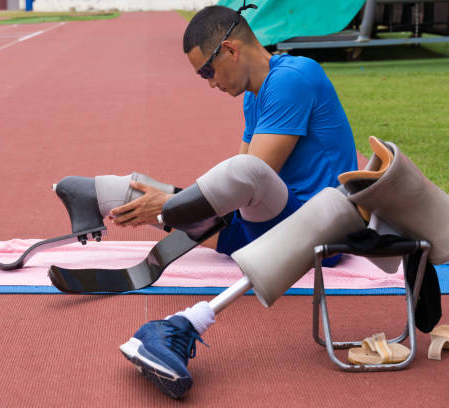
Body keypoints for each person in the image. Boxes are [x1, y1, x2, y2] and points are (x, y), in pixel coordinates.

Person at [115, 2, 358, 399]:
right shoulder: (253, 96)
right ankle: (123, 204)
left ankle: (167, 217)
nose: (210, 84)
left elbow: (249, 175)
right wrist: (169, 206)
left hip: (322, 230)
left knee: (229, 182)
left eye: (207, 72)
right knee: (163, 195)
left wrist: (171, 207)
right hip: (280, 225)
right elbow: (238, 189)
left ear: (229, 49)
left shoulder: (295, 77)